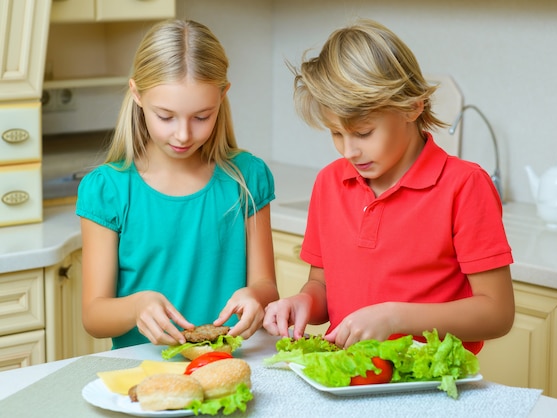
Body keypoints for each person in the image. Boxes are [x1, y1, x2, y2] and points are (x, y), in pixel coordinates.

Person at [263, 19, 515, 354]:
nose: (349, 151)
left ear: (413, 106)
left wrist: (396, 318)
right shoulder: (330, 182)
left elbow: (497, 314)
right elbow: (323, 285)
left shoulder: (464, 186)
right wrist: (304, 301)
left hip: (427, 391)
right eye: (336, 133)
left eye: (364, 132)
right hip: (350, 380)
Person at [76, 19, 278, 349]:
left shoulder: (247, 178)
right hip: (143, 372)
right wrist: (137, 306)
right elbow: (94, 316)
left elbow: (267, 286)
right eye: (166, 116)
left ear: (223, 95)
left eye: (202, 117)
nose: (184, 134)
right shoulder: (108, 190)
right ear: (137, 94)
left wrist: (256, 296)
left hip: (230, 363)